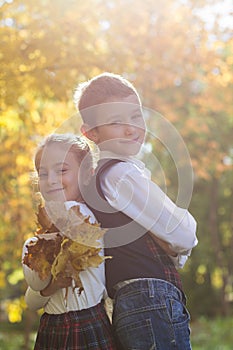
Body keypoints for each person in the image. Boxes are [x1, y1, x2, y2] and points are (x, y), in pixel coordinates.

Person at [73, 72, 198, 350]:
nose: (132, 128)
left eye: (136, 116)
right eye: (116, 122)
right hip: (150, 300)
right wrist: (175, 238)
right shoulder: (122, 175)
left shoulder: (104, 176)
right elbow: (183, 234)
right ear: (91, 133)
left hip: (136, 301)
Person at [22, 133, 117, 350]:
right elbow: (31, 300)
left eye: (62, 170)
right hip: (53, 326)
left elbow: (35, 285)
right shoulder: (49, 229)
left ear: (86, 175)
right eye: (42, 173)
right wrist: (49, 288)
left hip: (84, 324)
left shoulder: (81, 217)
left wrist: (29, 247)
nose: (51, 180)